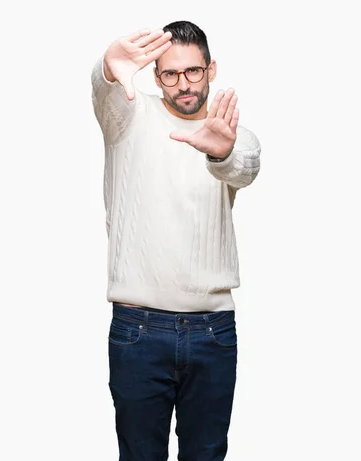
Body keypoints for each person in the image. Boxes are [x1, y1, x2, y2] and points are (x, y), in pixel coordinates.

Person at [90, 20, 261, 461]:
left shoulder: (232, 135)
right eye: (170, 74)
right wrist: (107, 72)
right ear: (155, 77)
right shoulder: (129, 115)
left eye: (193, 72)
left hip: (213, 332)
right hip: (138, 330)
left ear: (211, 69)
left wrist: (218, 151)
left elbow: (243, 167)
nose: (183, 84)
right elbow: (105, 95)